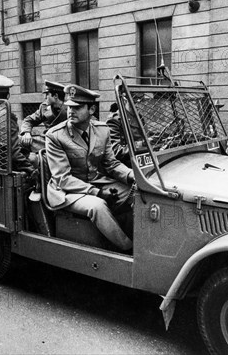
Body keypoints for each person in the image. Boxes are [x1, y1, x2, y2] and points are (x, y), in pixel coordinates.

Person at [45, 84, 135, 251]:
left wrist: (131, 175)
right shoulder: (55, 135)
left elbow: (111, 164)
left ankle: (138, 238)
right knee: (98, 206)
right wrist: (98, 192)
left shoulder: (102, 130)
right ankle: (128, 249)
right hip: (66, 191)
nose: (71, 111)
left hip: (96, 181)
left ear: (92, 109)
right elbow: (62, 178)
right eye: (70, 107)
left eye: (77, 107)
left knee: (136, 194)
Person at [0, 74, 34, 176]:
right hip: (0, 166)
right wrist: (31, 170)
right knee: (35, 160)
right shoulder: (7, 117)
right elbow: (14, 154)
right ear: (7, 96)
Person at [20, 80, 67, 153]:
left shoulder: (70, 109)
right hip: (45, 141)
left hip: (63, 144)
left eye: (47, 94)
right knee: (19, 140)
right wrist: (26, 132)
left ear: (55, 96)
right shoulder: (44, 107)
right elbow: (29, 120)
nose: (45, 97)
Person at [106, 93, 147, 167]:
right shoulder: (115, 120)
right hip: (126, 165)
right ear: (125, 100)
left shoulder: (139, 117)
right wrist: (142, 144)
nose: (138, 103)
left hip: (142, 160)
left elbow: (145, 134)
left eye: (141, 101)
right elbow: (116, 150)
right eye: (135, 100)